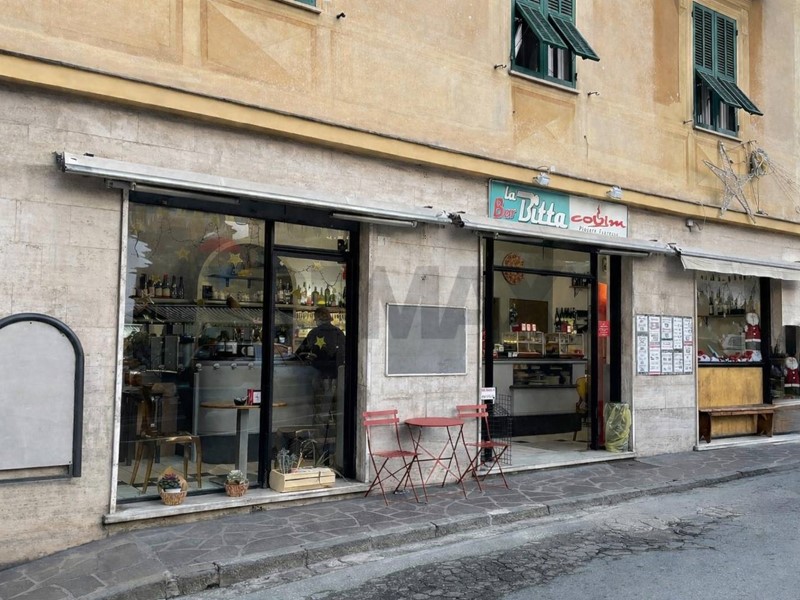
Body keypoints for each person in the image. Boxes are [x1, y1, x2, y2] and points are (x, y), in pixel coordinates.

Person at [296, 307, 345, 427]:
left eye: (315, 318)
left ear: (318, 318)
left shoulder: (314, 333)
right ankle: (334, 428)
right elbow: (345, 353)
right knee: (335, 404)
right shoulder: (339, 333)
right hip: (336, 374)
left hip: (319, 372)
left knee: (319, 403)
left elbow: (300, 353)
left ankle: (320, 428)